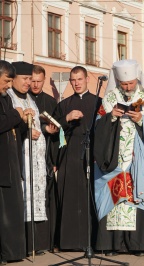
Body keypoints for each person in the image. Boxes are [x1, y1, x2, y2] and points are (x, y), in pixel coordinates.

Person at [93, 59, 144, 256]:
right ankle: (112, 244)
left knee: (137, 199)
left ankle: (139, 244)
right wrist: (111, 118)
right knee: (115, 200)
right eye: (123, 84)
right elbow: (97, 128)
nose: (127, 87)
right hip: (113, 161)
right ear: (117, 81)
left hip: (140, 161)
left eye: (130, 83)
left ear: (137, 79)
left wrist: (143, 120)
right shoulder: (109, 100)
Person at [52, 66, 101, 250]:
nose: (76, 83)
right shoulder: (64, 104)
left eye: (79, 79)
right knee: (69, 198)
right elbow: (53, 131)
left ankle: (91, 241)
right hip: (70, 156)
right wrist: (66, 118)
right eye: (73, 80)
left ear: (87, 79)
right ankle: (69, 242)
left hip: (92, 156)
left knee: (89, 198)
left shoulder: (99, 103)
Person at [7, 61, 50, 256]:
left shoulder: (30, 99)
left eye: (31, 80)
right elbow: (12, 124)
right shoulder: (8, 97)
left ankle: (35, 243)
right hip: (19, 154)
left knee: (36, 197)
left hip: (36, 157)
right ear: (13, 78)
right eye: (25, 79)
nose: (29, 83)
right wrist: (25, 129)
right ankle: (22, 245)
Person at [29, 65, 59, 253]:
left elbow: (57, 133)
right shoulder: (25, 98)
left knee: (47, 200)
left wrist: (55, 161)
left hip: (46, 156)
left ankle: (48, 241)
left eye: (39, 81)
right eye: (32, 81)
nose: (35, 85)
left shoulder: (50, 101)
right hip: (28, 155)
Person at [0, 60, 26, 264]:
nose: (9, 85)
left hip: (10, 162)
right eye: (6, 80)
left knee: (12, 210)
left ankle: (13, 253)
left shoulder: (5, 97)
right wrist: (16, 114)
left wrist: (22, 119)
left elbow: (11, 126)